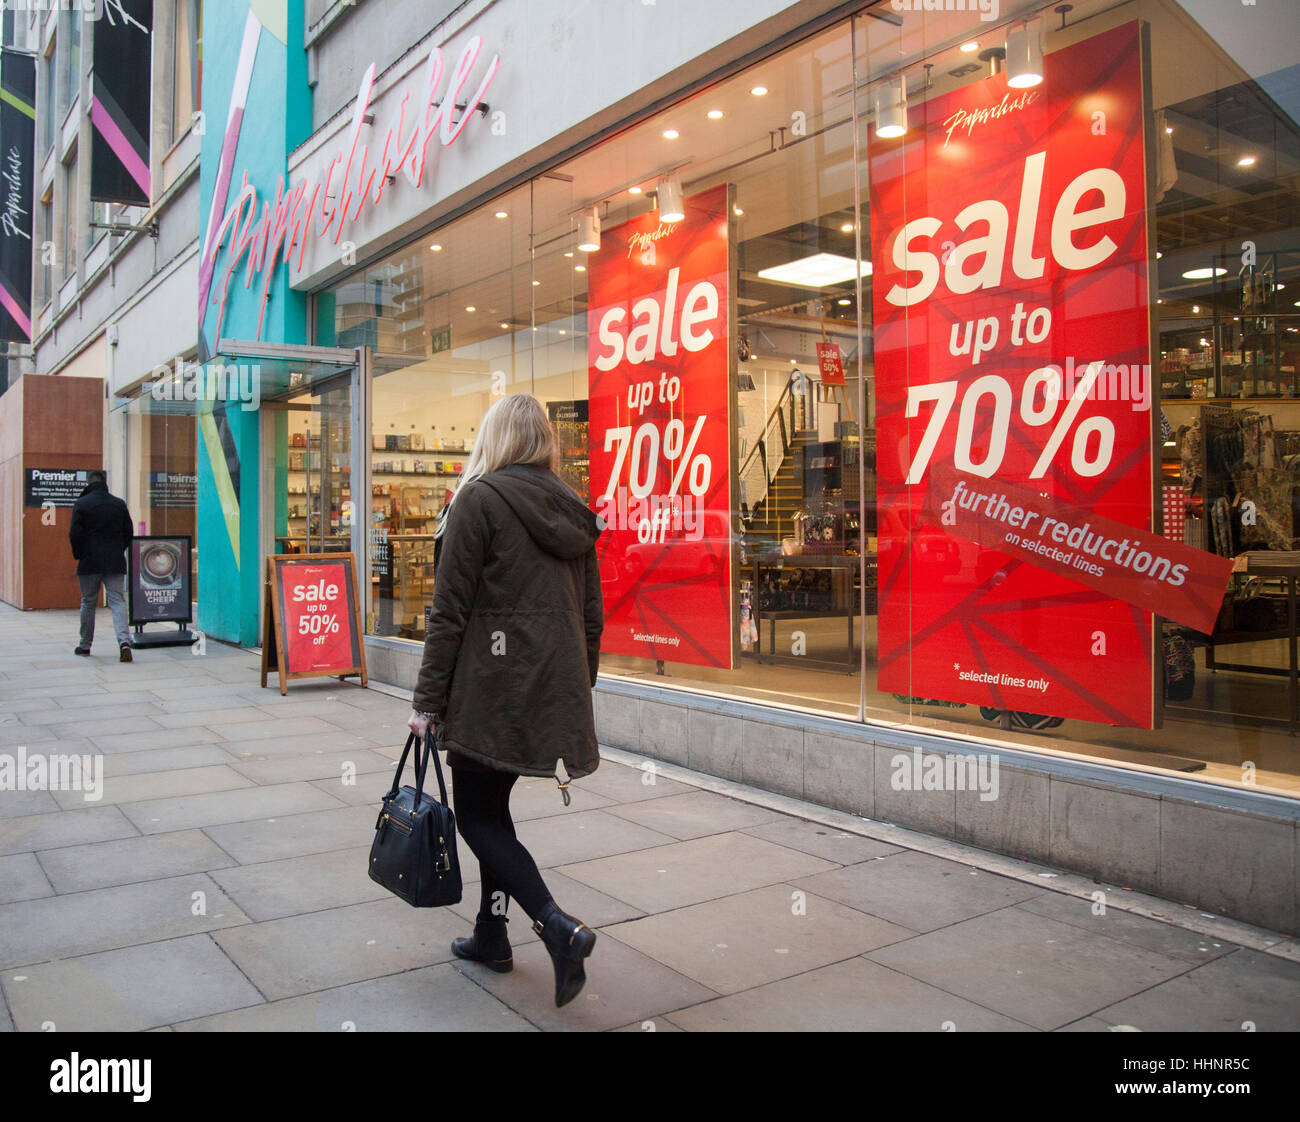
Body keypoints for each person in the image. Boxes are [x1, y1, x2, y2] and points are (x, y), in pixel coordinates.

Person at [407, 393, 603, 1008]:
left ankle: (557, 927)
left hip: (488, 691)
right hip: (546, 687)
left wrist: (425, 702)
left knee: (475, 816)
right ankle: (491, 933)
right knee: (494, 812)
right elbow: (592, 617)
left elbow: (449, 613)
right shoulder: (574, 509)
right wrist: (576, 685)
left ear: (494, 437)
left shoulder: (479, 499)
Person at [69, 470, 135, 662]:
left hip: (89, 561)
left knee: (88, 602)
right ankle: (124, 642)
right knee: (117, 601)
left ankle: (84, 645)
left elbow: (74, 533)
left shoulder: (82, 504)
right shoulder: (118, 503)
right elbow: (128, 533)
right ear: (105, 483)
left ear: (88, 484)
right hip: (114, 561)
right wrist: (117, 549)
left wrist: (79, 554)